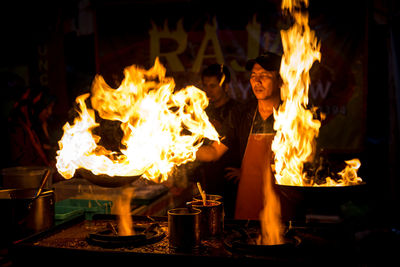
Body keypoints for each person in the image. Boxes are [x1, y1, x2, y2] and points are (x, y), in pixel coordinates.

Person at [196, 52, 282, 220]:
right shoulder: (241, 114)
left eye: (264, 76)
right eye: (253, 76)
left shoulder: (296, 116)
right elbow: (214, 152)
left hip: (282, 200)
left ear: (280, 80)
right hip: (248, 200)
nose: (257, 81)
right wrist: (177, 151)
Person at [197, 63, 242, 218]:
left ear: (226, 86)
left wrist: (247, 172)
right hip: (209, 180)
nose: (208, 91)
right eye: (205, 86)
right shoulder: (202, 112)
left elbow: (250, 144)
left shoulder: (237, 111)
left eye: (213, 86)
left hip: (231, 182)